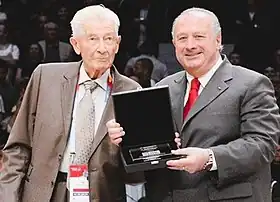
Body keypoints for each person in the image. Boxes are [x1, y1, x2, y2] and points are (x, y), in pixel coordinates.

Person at [107, 7, 280, 202]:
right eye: (182, 38)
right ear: (173, 44)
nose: (190, 45)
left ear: (218, 40)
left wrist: (209, 158)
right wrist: (127, 142)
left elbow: (262, 144)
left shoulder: (252, 84)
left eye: (198, 36)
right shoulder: (164, 87)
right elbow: (146, 159)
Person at [0, 5, 143, 202]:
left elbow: (136, 175)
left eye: (108, 39)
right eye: (93, 39)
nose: (102, 48)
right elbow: (18, 148)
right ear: (76, 44)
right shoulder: (45, 77)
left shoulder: (132, 92)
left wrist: (126, 146)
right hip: (42, 194)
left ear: (117, 44)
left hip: (101, 195)